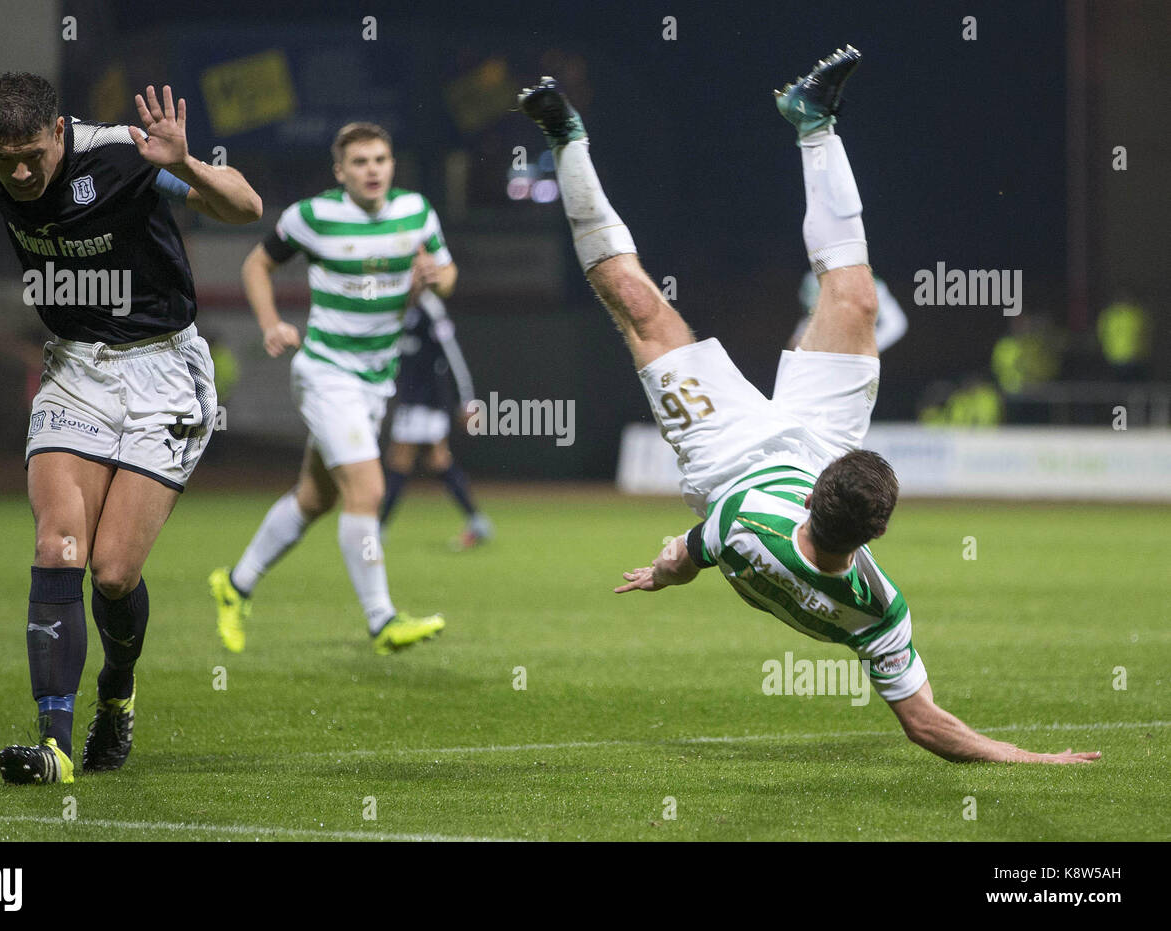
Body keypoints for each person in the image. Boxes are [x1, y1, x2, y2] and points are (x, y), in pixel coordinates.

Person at [518, 49, 1099, 764]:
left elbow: (705, 541)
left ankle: (566, 141)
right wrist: (1031, 759)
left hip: (726, 457)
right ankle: (813, 122)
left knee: (637, 303)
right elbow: (923, 722)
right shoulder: (877, 606)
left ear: (825, 500)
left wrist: (676, 560)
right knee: (855, 297)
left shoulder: (743, 522)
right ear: (873, 530)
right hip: (815, 442)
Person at [0, 46, 263, 784]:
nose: (20, 174)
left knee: (115, 574)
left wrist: (185, 164)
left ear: (59, 131)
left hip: (164, 371)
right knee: (59, 544)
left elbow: (243, 207)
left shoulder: (123, 156)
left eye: (32, 156)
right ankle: (54, 746)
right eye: (6, 160)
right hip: (73, 371)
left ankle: (117, 693)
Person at [209, 123, 454, 655]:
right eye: (360, 161)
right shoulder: (313, 216)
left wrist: (435, 276)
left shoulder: (416, 212)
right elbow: (256, 265)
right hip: (326, 373)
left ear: (392, 165)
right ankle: (381, 619)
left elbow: (449, 273)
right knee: (367, 491)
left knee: (314, 498)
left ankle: (235, 584)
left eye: (381, 159)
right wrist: (271, 323)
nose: (373, 169)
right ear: (340, 172)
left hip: (375, 381)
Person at [380, 289, 493, 548]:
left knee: (400, 459)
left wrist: (468, 402)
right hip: (411, 400)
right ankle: (477, 521)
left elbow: (454, 358)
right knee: (437, 460)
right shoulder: (398, 309)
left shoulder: (430, 309)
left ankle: (376, 529)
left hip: (425, 401)